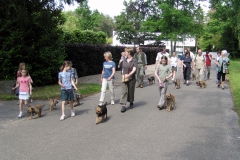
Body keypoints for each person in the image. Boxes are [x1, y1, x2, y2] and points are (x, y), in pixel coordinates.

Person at [120, 47, 137, 113]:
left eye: (126, 51)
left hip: (131, 78)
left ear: (129, 52)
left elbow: (134, 69)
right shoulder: (123, 60)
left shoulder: (134, 60)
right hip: (124, 78)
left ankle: (131, 102)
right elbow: (122, 69)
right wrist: (122, 74)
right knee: (124, 91)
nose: (125, 52)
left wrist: (129, 75)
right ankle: (123, 105)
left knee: (131, 91)